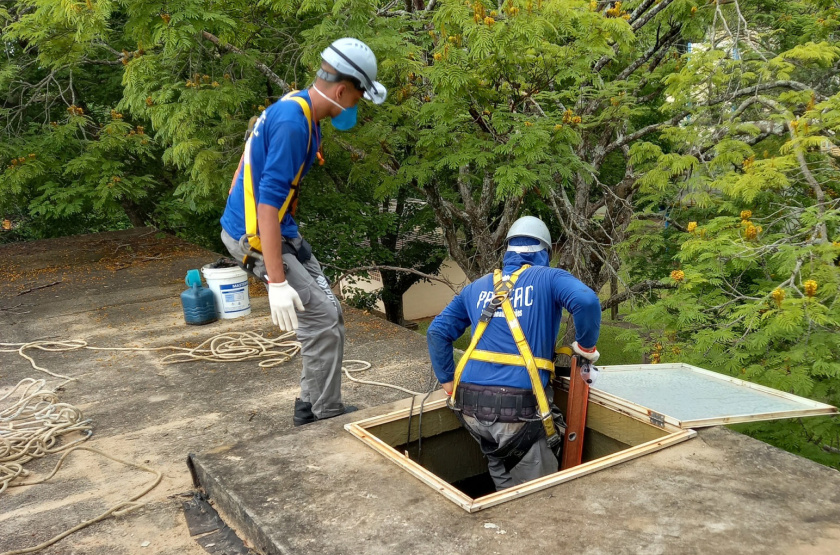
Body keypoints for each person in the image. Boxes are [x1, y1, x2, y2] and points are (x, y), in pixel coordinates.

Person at [220, 38, 387, 426]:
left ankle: (309, 403)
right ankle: (323, 414)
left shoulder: (300, 109)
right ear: (342, 90)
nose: (355, 107)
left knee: (328, 315)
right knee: (322, 319)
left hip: (280, 230)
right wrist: (277, 282)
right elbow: (265, 203)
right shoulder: (295, 123)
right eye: (358, 98)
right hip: (255, 235)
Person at [426, 216, 601, 490]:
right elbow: (587, 301)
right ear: (545, 251)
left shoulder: (477, 287)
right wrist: (586, 347)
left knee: (503, 484)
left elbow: (437, 332)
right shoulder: (549, 277)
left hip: (470, 408)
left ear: (507, 250)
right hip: (517, 413)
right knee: (536, 497)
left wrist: (448, 382)